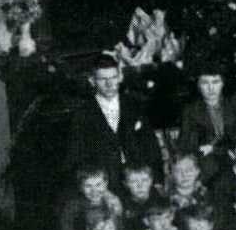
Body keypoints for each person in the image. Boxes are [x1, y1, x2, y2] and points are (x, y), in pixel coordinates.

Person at [64, 55, 162, 194]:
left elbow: (152, 147)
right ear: (92, 81)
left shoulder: (135, 104)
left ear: (120, 77)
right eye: (103, 79)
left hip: (138, 184)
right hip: (104, 187)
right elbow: (76, 157)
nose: (109, 84)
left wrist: (157, 182)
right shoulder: (82, 114)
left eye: (113, 77)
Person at [178, 61, 233, 179]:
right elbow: (186, 145)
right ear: (198, 85)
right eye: (205, 83)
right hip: (208, 164)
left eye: (215, 82)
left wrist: (214, 149)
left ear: (223, 83)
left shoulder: (235, 104)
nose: (211, 88)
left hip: (235, 156)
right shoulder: (191, 110)